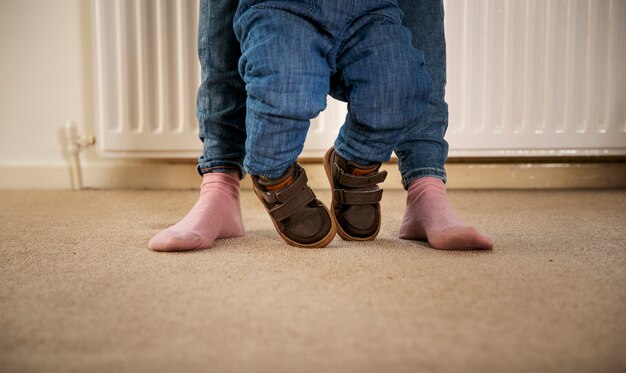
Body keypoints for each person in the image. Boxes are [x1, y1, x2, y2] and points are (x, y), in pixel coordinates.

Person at [149, 0, 494, 252]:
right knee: (284, 90)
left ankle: (363, 169)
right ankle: (263, 182)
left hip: (370, 9)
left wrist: (424, 175)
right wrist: (219, 169)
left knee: (401, 85)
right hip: (281, 7)